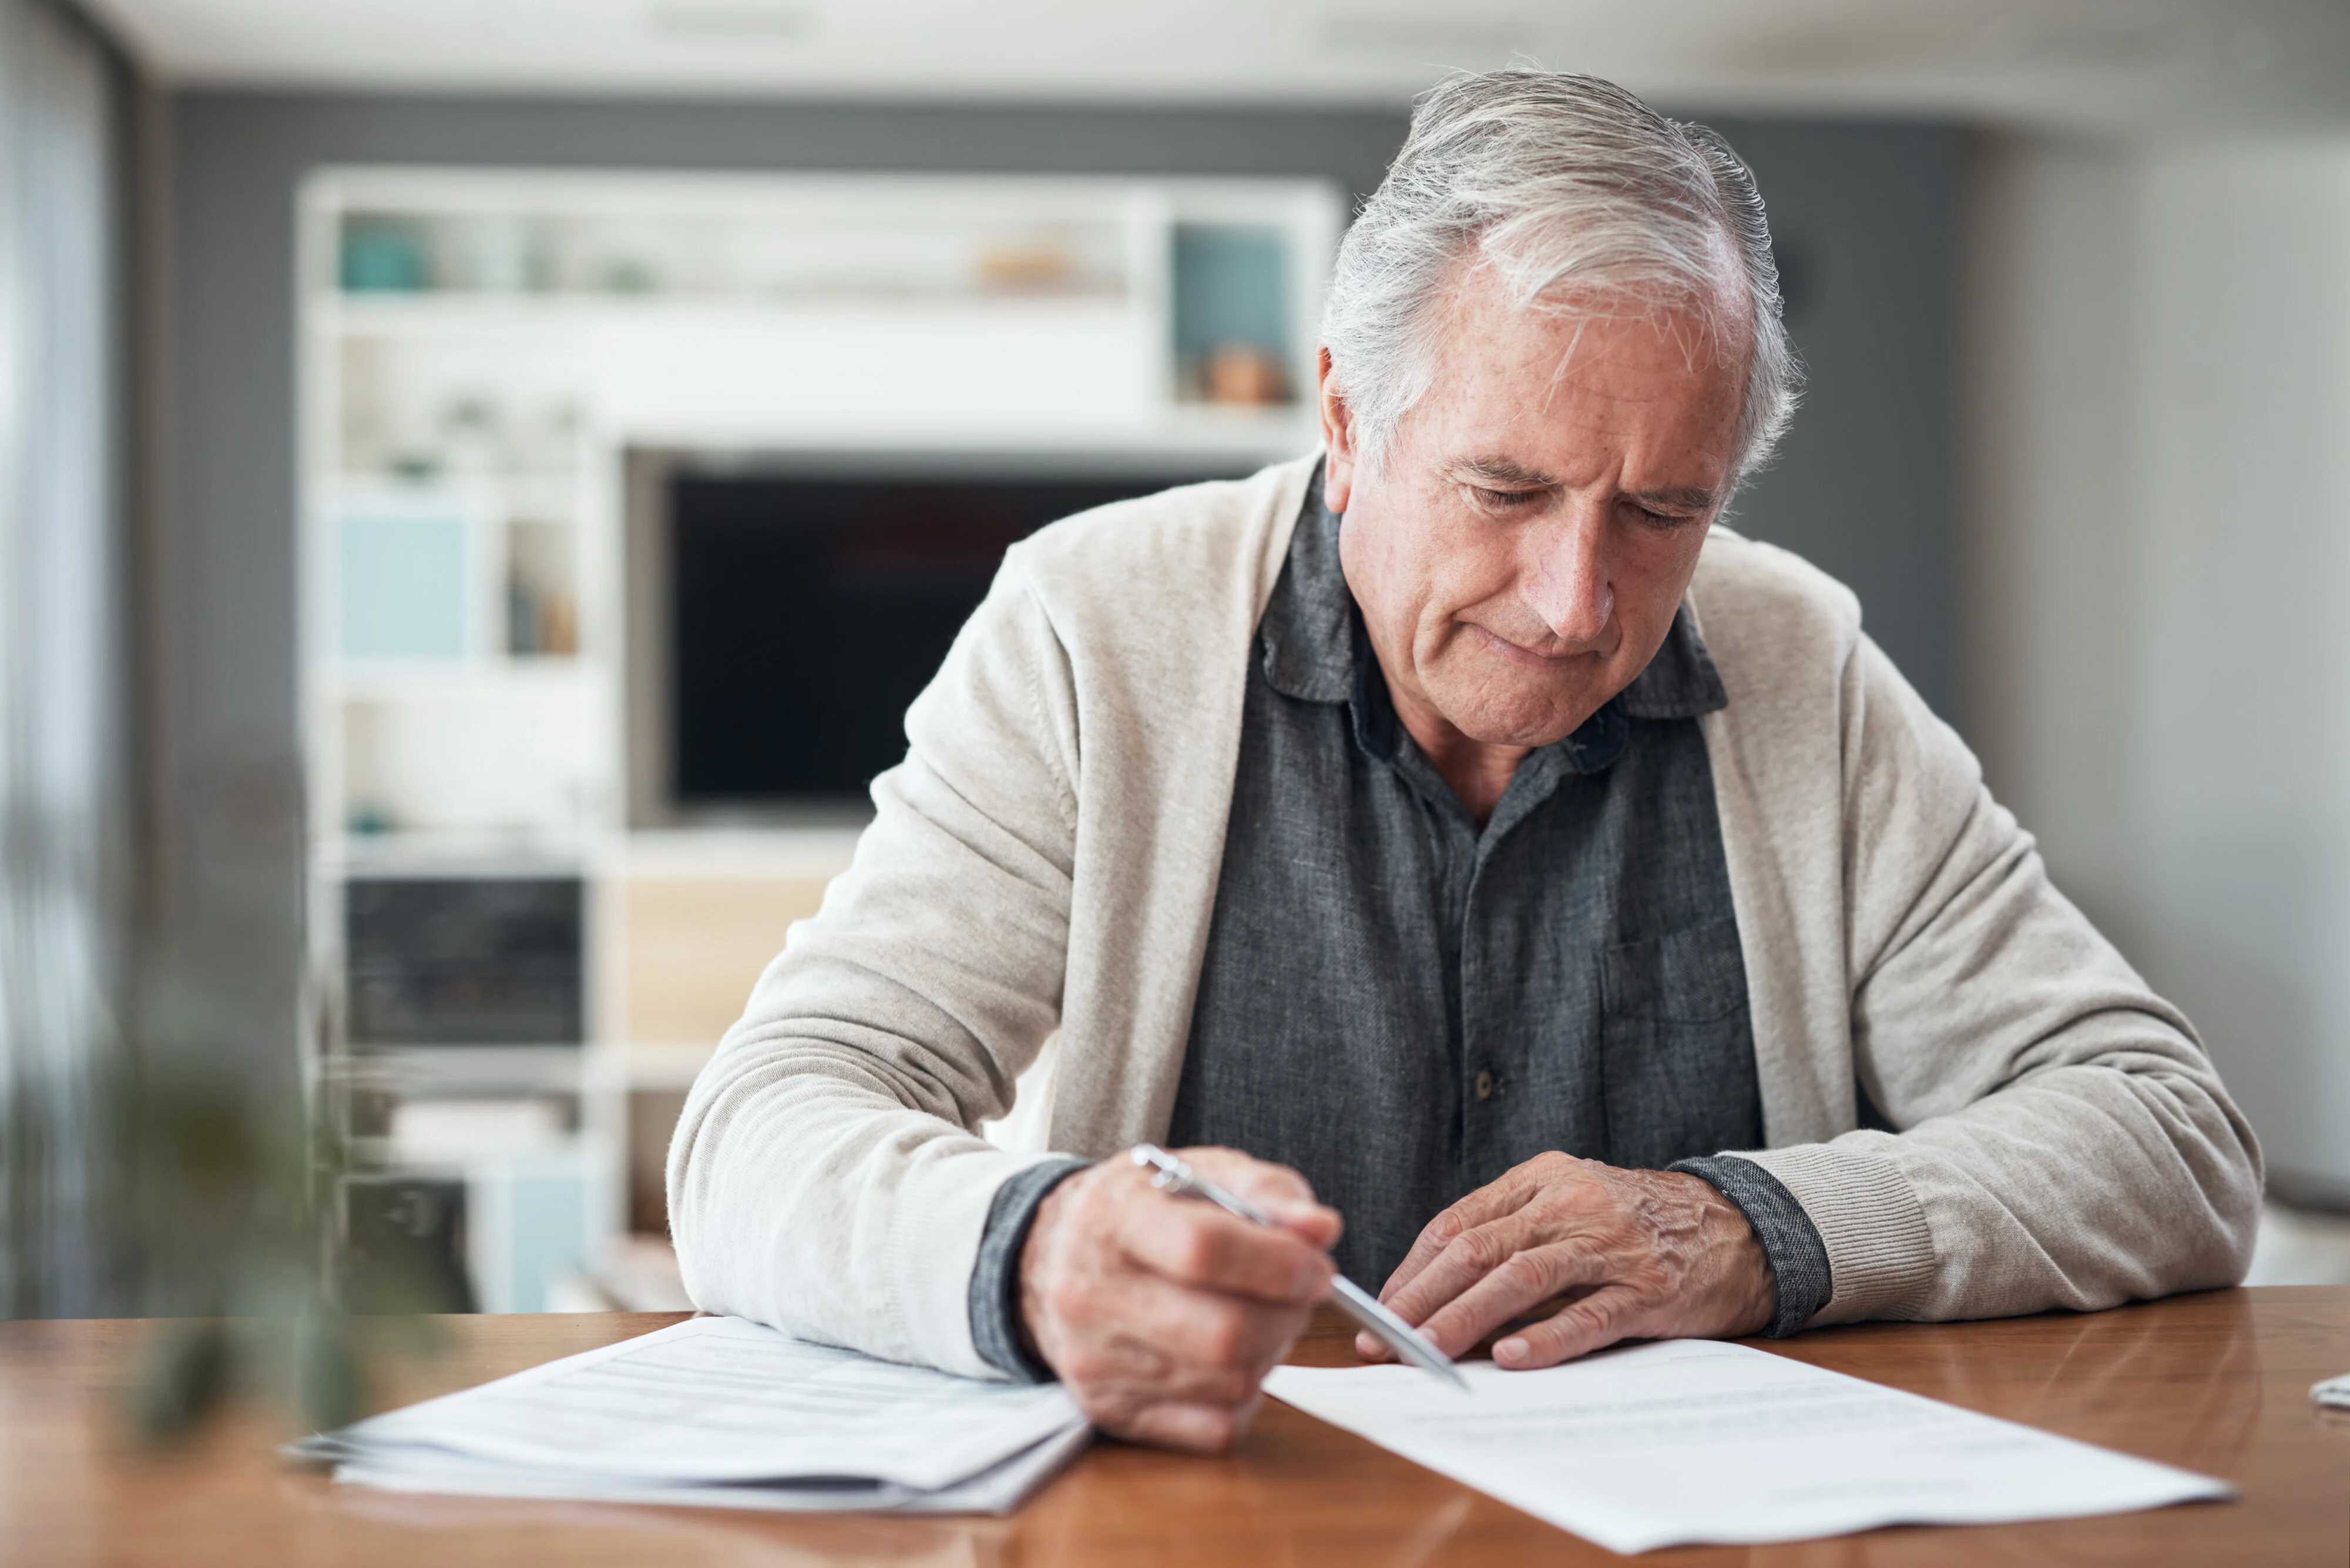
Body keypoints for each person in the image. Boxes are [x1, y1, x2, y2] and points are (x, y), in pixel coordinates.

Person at [667, 69, 2261, 1453]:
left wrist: (1750, 1225)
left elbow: (2166, 1134)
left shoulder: (1801, 663)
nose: (1578, 607)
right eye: (1506, 488)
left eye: (1662, 512)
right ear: (1348, 425)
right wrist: (1035, 1251)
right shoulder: (1096, 632)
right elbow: (759, 1132)